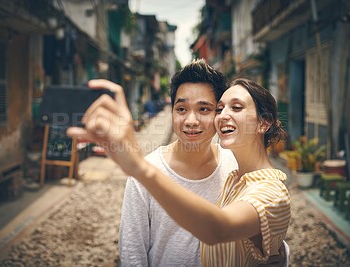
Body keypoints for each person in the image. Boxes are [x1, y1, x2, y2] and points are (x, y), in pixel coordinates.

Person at [67, 77, 291, 266]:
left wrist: (137, 166)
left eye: (236, 107)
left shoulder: (270, 191)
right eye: (221, 109)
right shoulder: (237, 175)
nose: (222, 116)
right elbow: (132, 252)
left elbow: (218, 228)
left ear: (264, 124)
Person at [119, 59, 238, 266]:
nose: (191, 121)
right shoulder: (146, 173)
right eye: (182, 109)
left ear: (219, 113)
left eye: (203, 110)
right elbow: (132, 252)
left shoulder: (235, 167)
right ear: (172, 111)